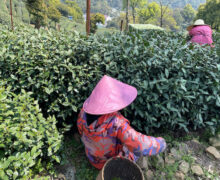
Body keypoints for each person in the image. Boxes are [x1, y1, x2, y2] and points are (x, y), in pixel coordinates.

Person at [77, 75, 166, 169]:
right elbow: (140, 145)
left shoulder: (83, 113)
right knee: (131, 148)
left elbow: (81, 132)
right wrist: (161, 143)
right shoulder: (117, 124)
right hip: (110, 164)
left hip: (93, 158)